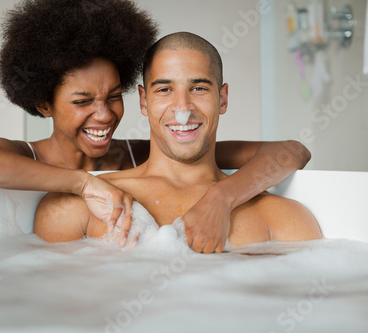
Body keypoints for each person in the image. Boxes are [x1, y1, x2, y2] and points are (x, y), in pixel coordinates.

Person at [0, 0, 311, 252]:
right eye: (81, 101)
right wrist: (83, 184)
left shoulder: (133, 151)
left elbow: (287, 151)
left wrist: (222, 197)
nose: (104, 115)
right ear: (43, 104)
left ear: (222, 98)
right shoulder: (32, 167)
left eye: (111, 96)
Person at [33, 32, 322, 249]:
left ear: (222, 99)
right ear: (144, 101)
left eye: (198, 88)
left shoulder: (282, 219)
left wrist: (222, 198)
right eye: (164, 90)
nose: (182, 109)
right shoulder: (74, 209)